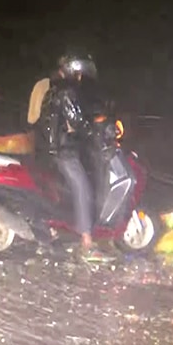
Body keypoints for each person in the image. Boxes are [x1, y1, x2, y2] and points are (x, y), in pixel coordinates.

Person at [34, 52, 106, 258]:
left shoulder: (53, 90)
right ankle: (86, 240)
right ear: (76, 72)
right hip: (64, 151)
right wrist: (95, 128)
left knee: (66, 190)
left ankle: (56, 230)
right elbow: (76, 120)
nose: (82, 78)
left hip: (49, 151)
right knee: (84, 189)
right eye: (81, 73)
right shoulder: (67, 92)